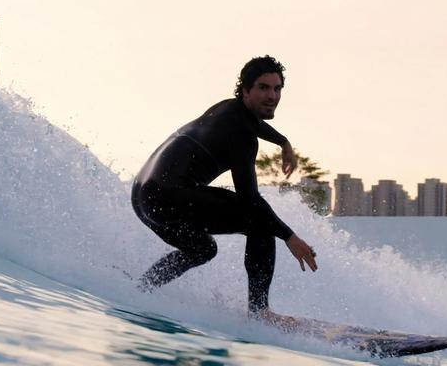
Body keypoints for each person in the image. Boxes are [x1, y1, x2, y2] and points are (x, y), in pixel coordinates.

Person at [131, 55, 318, 323]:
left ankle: (142, 287)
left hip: (143, 197)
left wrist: (283, 142)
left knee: (202, 249)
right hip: (170, 195)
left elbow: (255, 123)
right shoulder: (241, 136)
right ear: (246, 91)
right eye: (263, 88)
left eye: (277, 89)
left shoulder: (226, 109)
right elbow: (249, 199)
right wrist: (289, 237)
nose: (272, 96)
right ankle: (260, 312)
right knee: (260, 221)